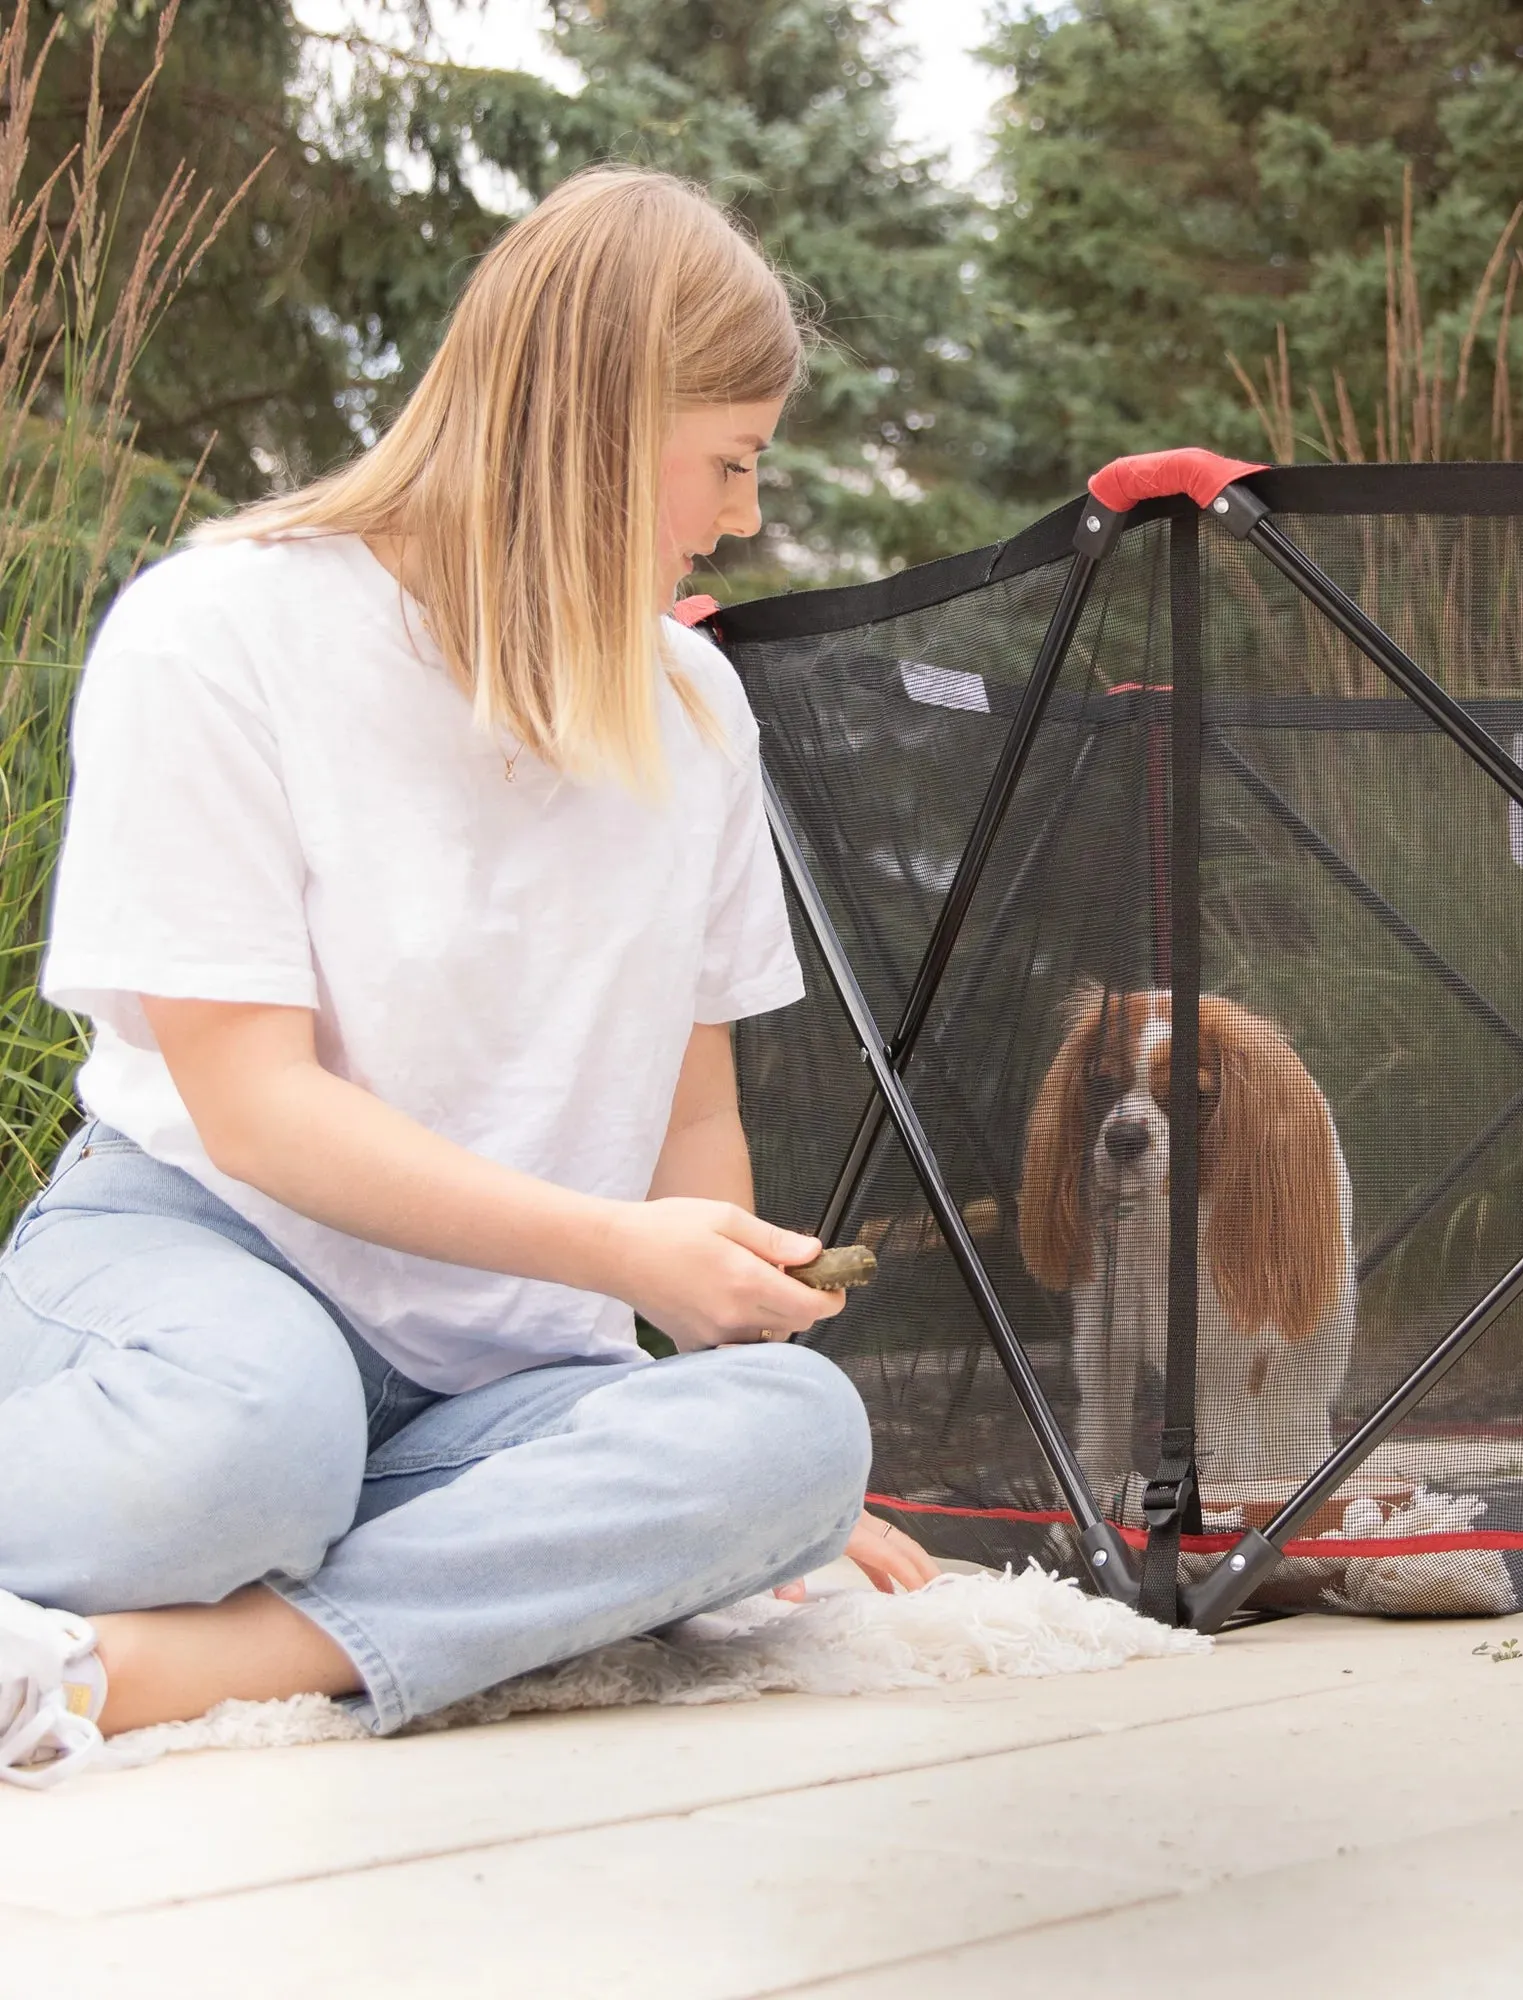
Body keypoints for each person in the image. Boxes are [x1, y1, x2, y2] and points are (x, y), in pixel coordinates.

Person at [0, 165, 936, 1787]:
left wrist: (735, 1455)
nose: (744, 516)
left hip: (494, 1384)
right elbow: (258, 1114)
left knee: (802, 1436)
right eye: (728, 461)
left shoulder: (698, 712)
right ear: (594, 416)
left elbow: (688, 1124)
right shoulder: (219, 633)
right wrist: (620, 1281)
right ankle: (403, 1578)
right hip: (201, 1272)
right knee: (264, 1437)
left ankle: (185, 1659)